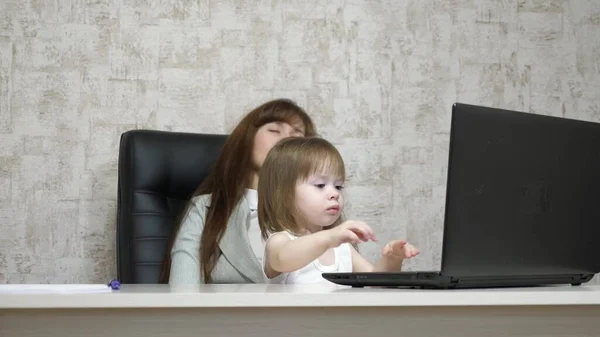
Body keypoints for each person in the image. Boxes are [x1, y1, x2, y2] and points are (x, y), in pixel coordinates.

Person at [164, 99, 317, 284]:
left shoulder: (320, 206)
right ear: (247, 140)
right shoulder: (206, 208)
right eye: (274, 130)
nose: (285, 139)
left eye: (297, 134)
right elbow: (183, 292)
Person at [257, 137, 419, 284]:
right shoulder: (280, 242)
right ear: (284, 193)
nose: (335, 193)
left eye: (338, 186)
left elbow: (374, 284)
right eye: (320, 185)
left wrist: (392, 260)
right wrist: (331, 236)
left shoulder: (342, 249)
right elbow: (283, 259)